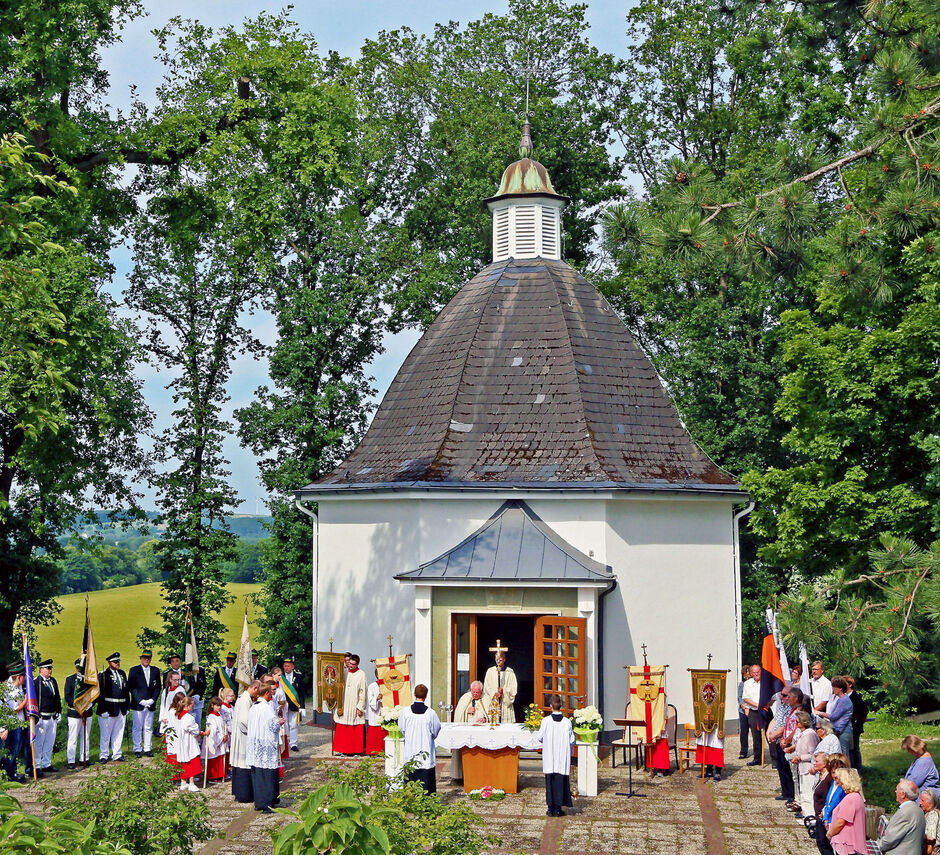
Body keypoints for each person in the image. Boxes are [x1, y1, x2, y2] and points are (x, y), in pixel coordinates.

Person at [398, 683, 441, 794]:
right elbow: (436, 730)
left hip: (410, 750)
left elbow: (402, 728)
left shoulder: (406, 712)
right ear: (426, 696)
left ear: (414, 694)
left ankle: (409, 799)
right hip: (425, 751)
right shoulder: (430, 713)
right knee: (426, 783)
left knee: (410, 778)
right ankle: (426, 802)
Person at [247, 682, 283, 812]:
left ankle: (259, 802)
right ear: (266, 693)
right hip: (266, 746)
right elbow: (273, 726)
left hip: (255, 745)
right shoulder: (266, 708)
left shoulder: (253, 707)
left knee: (258, 776)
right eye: (270, 693)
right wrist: (279, 722)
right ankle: (268, 804)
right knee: (267, 776)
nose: (271, 695)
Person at [538, 694, 575, 817]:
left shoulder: (546, 721)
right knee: (560, 781)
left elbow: (540, 737)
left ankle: (550, 808)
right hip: (562, 757)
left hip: (550, 756)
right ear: (561, 706)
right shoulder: (567, 722)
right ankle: (558, 809)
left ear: (550, 707)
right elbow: (572, 740)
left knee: (550, 781)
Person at [768, 686, 801, 805]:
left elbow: (789, 726)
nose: (782, 697)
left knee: (788, 769)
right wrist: (769, 733)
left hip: (787, 742)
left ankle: (791, 794)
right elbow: (775, 720)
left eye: (785, 695)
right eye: (781, 695)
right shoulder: (783, 706)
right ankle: (785, 792)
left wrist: (779, 736)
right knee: (781, 767)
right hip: (778, 741)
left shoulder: (794, 709)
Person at [880, 779, 927, 855]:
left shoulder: (905, 812)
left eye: (896, 790)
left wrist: (876, 846)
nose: (895, 792)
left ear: (903, 794)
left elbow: (890, 839)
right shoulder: (919, 810)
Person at [230, 680, 260, 802]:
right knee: (244, 764)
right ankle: (244, 795)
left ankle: (241, 794)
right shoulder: (245, 700)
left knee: (240, 764)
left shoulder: (244, 698)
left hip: (241, 735)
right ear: (255, 688)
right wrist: (253, 731)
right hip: (243, 737)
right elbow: (244, 720)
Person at [128, 649, 161, 758]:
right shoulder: (134, 670)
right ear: (141, 658)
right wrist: (140, 700)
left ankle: (147, 748)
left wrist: (152, 700)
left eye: (149, 658)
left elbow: (158, 687)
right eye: (145, 658)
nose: (147, 660)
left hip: (150, 703)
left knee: (148, 727)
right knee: (137, 727)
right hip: (138, 704)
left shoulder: (155, 671)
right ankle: (137, 748)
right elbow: (132, 687)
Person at [788, 710, 820, 818]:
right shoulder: (802, 734)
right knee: (803, 793)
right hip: (802, 768)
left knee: (808, 794)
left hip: (808, 769)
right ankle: (805, 814)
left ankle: (810, 816)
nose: (796, 724)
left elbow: (813, 754)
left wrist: (800, 757)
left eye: (797, 722)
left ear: (803, 722)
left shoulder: (810, 735)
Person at [97, 652, 129, 762]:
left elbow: (126, 690)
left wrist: (127, 706)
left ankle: (117, 754)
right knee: (105, 734)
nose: (117, 663)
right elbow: (99, 694)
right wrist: (102, 709)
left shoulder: (122, 673)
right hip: (108, 708)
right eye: (115, 662)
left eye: (118, 661)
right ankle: (104, 755)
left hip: (121, 707)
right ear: (109, 663)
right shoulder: (103, 675)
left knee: (118, 733)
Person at [826, 768, 866, 855]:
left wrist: (830, 833)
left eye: (839, 779)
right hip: (850, 843)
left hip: (847, 845)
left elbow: (841, 822)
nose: (838, 782)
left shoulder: (850, 798)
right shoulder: (856, 796)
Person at [333, 652, 367, 754]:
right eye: (349, 663)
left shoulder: (361, 674)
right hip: (344, 703)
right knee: (343, 726)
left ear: (357, 664)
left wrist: (360, 707)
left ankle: (356, 751)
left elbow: (363, 692)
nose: (350, 666)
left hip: (354, 704)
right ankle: (343, 750)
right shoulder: (344, 673)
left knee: (355, 728)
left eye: (353, 664)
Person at [64, 658, 92, 770]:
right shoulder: (70, 679)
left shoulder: (89, 680)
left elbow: (92, 694)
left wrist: (89, 705)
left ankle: (84, 758)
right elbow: (68, 696)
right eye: (78, 668)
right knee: (73, 737)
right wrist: (78, 706)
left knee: (86, 737)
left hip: (87, 712)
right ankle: (71, 760)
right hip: (74, 713)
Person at [34, 659, 61, 773]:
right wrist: (36, 716)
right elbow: (34, 701)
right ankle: (35, 765)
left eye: (51, 668)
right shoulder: (36, 682)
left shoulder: (53, 681)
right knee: (39, 743)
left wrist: (59, 711)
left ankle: (46, 763)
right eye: (48, 668)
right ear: (41, 670)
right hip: (41, 718)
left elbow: (57, 697)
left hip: (52, 716)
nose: (50, 671)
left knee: (50, 742)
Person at [2, 662, 27, 782]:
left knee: (16, 749)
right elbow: (14, 710)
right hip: (12, 724)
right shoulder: (8, 689)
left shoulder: (19, 687)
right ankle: (9, 773)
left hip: (20, 722)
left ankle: (13, 771)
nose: (25, 678)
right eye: (23, 676)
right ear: (18, 677)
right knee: (13, 749)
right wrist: (26, 701)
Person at [175, 694, 205, 792]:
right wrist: (198, 729)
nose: (192, 708)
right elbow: (194, 729)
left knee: (183, 761)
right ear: (187, 706)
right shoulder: (188, 717)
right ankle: (191, 783)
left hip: (181, 742)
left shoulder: (178, 715)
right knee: (192, 761)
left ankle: (183, 782)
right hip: (189, 742)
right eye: (192, 706)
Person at [810, 753, 834, 855]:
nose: (814, 763)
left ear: (824, 764)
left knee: (825, 845)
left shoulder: (829, 778)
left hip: (824, 816)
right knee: (820, 843)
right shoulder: (821, 776)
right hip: (818, 815)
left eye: (817, 761)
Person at [483, 653, 518, 723]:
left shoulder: (510, 671)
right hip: (494, 703)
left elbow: (514, 688)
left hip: (505, 704)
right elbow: (486, 686)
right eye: (497, 660)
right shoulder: (490, 671)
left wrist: (504, 691)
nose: (498, 662)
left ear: (504, 660)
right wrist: (494, 693)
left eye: (500, 660)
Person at [740, 664, 763, 766]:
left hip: (766, 710)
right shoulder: (747, 683)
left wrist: (765, 705)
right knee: (755, 735)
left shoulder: (766, 682)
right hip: (754, 710)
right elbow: (745, 698)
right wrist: (758, 705)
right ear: (751, 673)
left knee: (770, 735)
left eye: (758, 671)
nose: (757, 674)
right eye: (754, 672)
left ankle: (775, 759)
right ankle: (757, 758)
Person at [280, 657, 304, 752]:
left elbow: (302, 692)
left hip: (294, 704)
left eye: (288, 666)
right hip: (283, 705)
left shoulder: (298, 676)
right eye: (285, 666)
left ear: (292, 666)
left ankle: (293, 743)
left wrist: (302, 706)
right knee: (283, 724)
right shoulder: (280, 677)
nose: (286, 668)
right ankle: (284, 743)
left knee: (293, 724)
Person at [843, 676, 867, 770]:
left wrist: (857, 723)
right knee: (849, 749)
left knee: (854, 749)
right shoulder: (845, 697)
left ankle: (857, 768)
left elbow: (863, 711)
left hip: (854, 728)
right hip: (848, 727)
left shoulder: (855, 697)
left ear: (849, 685)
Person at [204, 696, 228, 784]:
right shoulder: (211, 717)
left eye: (220, 706)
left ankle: (219, 775)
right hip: (214, 739)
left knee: (219, 757)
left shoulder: (220, 715)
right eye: (217, 706)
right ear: (212, 706)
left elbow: (223, 726)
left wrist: (225, 734)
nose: (219, 708)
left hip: (220, 738)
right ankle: (212, 776)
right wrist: (219, 738)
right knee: (213, 757)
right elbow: (213, 730)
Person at [365, 667, 385, 756]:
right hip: (375, 713)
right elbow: (370, 701)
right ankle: (373, 751)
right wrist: (377, 699)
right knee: (375, 731)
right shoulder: (372, 686)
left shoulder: (387, 686)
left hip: (384, 711)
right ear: (377, 675)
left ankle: (384, 750)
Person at [158, 671, 186, 735]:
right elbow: (163, 704)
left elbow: (182, 705)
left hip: (175, 716)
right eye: (175, 680)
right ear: (170, 679)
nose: (177, 682)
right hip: (166, 716)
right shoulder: (166, 690)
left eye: (178, 680)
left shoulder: (180, 690)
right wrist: (162, 717)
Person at [737, 665, 751, 759]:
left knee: (755, 732)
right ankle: (743, 751)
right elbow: (740, 697)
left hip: (753, 709)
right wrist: (744, 706)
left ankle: (758, 751)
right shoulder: (742, 684)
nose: (747, 675)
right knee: (744, 731)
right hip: (743, 711)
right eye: (746, 673)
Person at [921, 788, 940, 855]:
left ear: (931, 802)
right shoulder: (935, 812)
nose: (920, 803)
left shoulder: (932, 814)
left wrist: (917, 834)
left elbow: (931, 838)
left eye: (923, 801)